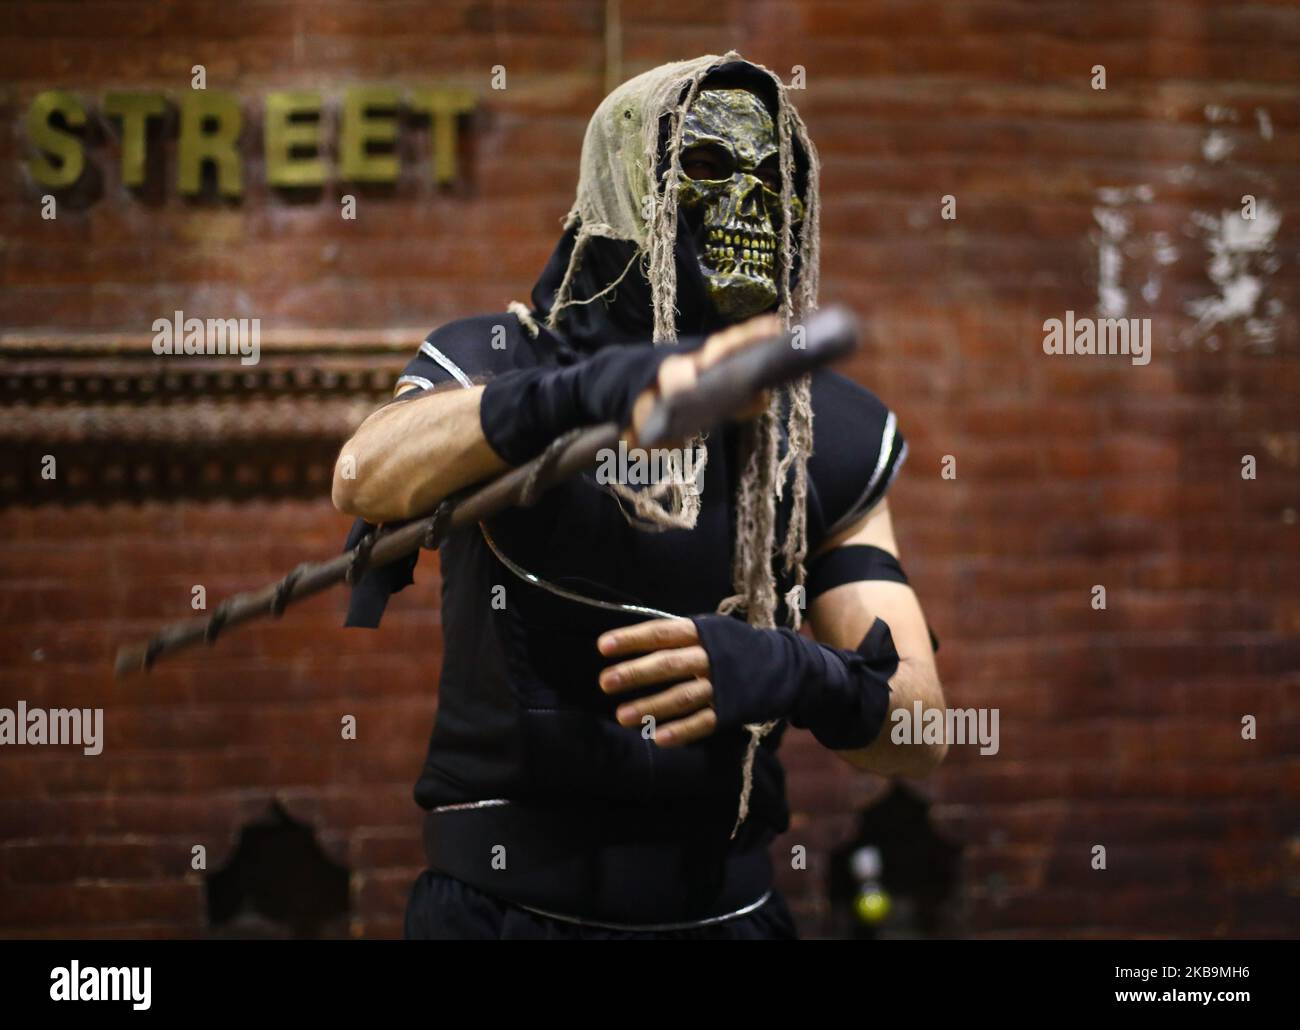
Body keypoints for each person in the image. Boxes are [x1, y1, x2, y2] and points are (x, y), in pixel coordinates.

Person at [331, 51, 945, 940]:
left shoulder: (825, 433)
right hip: (504, 914)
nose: (755, 203)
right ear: (625, 183)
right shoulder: (503, 360)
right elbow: (364, 473)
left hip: (723, 915)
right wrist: (585, 390)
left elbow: (922, 735)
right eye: (708, 167)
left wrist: (803, 674)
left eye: (782, 180)